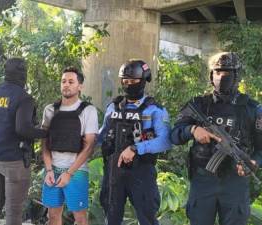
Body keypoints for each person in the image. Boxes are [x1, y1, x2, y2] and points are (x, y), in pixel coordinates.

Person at [171, 52, 262, 225]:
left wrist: (254, 162)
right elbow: (174, 135)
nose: (221, 77)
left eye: (227, 73)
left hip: (235, 182)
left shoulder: (252, 108)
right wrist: (193, 130)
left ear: (237, 76)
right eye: (217, 72)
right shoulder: (198, 105)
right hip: (203, 180)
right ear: (211, 75)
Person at [98, 60, 171, 225]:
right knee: (111, 218)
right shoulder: (113, 108)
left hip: (141, 172)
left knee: (147, 219)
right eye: (125, 81)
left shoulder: (154, 110)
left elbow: (166, 141)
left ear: (144, 80)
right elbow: (101, 135)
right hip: (113, 172)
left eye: (133, 81)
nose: (128, 85)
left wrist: (136, 148)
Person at [0, 58, 47, 225]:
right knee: (14, 210)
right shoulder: (24, 98)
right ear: (23, 74)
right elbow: (23, 129)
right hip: (13, 162)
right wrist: (46, 133)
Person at [41, 66, 98, 225]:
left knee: (79, 218)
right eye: (63, 81)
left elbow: (89, 147)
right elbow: (44, 143)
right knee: (52, 216)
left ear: (79, 86)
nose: (66, 84)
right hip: (53, 169)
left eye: (71, 82)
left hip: (77, 171)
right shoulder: (50, 109)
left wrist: (69, 173)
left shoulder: (88, 110)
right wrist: (49, 169)